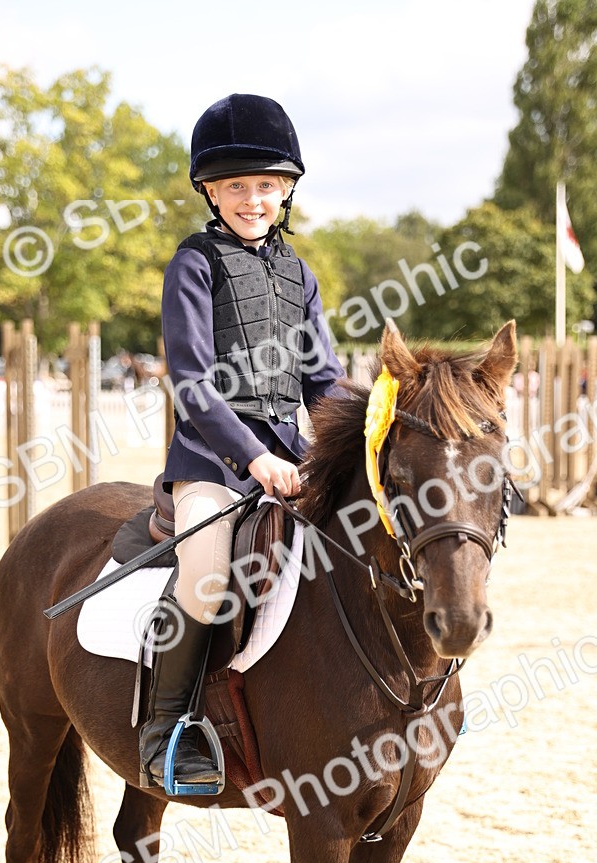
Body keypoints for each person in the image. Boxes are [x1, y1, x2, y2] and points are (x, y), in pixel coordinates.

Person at [138, 93, 345, 793]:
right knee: (206, 577)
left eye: (265, 185)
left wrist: (358, 436)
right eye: (236, 187)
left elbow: (323, 379)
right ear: (211, 191)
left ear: (286, 189)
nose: (252, 200)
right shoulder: (193, 264)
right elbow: (193, 382)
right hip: (210, 460)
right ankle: (166, 729)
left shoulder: (299, 273)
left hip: (292, 454)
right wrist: (252, 458)